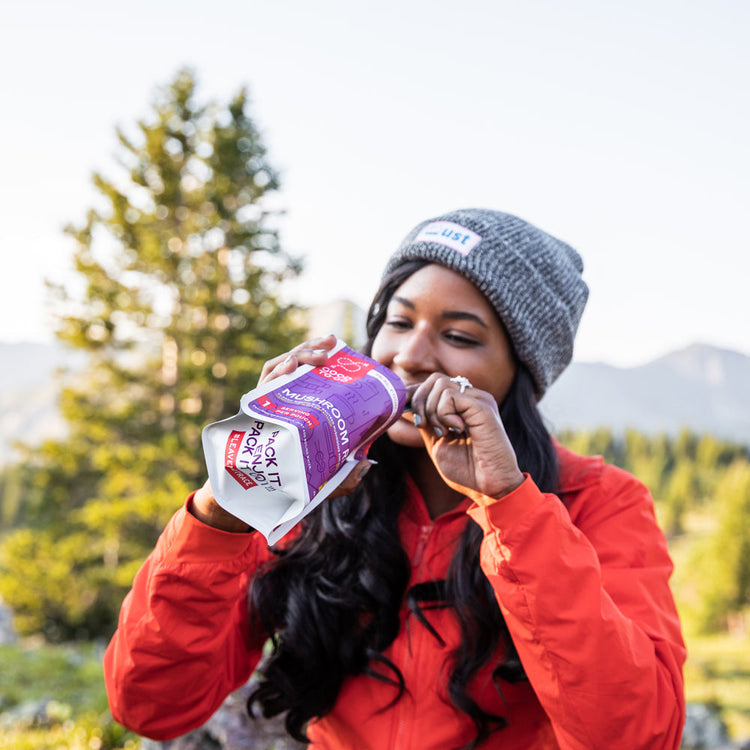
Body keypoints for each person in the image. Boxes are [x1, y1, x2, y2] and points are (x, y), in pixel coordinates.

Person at [103, 209, 686, 749]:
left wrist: (508, 506)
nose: (410, 354)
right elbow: (150, 703)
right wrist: (230, 502)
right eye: (397, 321)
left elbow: (634, 734)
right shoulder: (308, 487)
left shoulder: (596, 502)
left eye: (459, 336)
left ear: (522, 375)